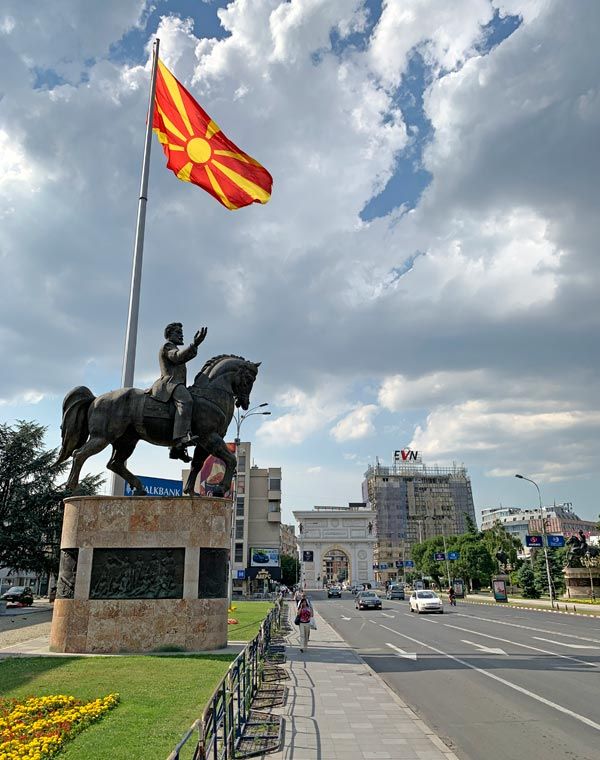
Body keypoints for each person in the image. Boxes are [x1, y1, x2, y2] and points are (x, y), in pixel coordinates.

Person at [149, 322, 207, 462]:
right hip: (169, 384)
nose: (181, 335)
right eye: (177, 332)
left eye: (182, 333)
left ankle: (177, 450)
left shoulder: (173, 346)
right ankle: (181, 438)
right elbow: (177, 357)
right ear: (169, 335)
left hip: (176, 384)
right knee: (186, 401)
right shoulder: (168, 346)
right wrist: (194, 344)